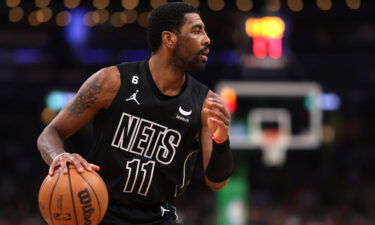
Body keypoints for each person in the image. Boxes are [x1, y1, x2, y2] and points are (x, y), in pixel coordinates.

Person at [37, 2, 234, 225]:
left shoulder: (206, 103)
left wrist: (221, 141)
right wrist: (60, 156)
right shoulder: (111, 81)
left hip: (158, 217)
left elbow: (217, 182)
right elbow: (50, 134)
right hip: (99, 211)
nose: (207, 39)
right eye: (197, 30)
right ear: (169, 39)